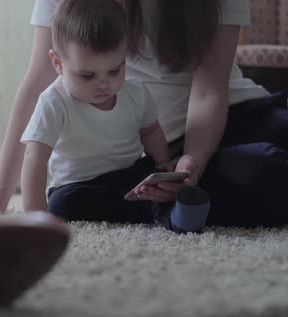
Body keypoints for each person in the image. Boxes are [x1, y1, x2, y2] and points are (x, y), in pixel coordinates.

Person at [0, 0, 288, 228]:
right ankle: (273, 184)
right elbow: (38, 80)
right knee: (266, 181)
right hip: (145, 153)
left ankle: (269, 181)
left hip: (234, 115)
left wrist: (191, 161)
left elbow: (210, 87)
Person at [21, 0, 208, 233]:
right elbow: (34, 158)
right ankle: (154, 212)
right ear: (58, 63)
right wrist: (36, 215)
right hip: (80, 185)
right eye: (87, 75)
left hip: (129, 175)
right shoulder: (54, 102)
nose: (104, 84)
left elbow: (150, 130)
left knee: (154, 185)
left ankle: (178, 217)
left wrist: (162, 163)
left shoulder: (136, 93)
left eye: (115, 70)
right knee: (62, 204)